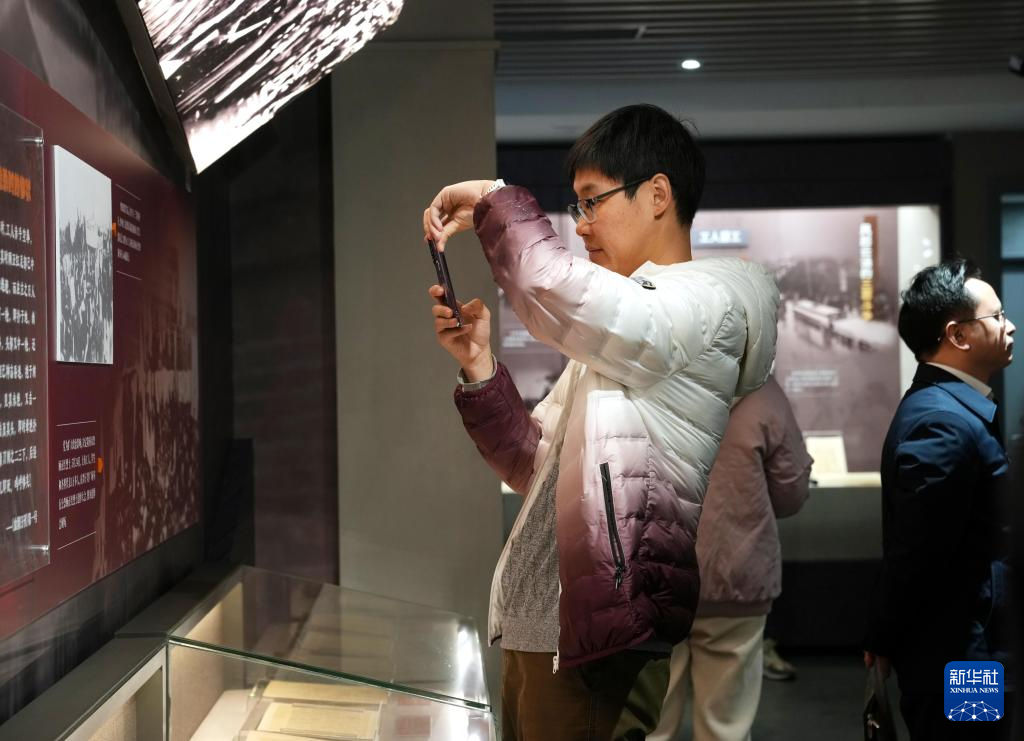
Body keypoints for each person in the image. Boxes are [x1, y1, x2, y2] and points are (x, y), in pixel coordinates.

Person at [421, 104, 780, 740]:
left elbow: (554, 287)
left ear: (658, 194)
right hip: (542, 632)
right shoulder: (639, 321)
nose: (581, 224)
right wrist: (478, 365)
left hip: (593, 648)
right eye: (578, 205)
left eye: (593, 201)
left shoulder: (706, 303)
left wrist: (493, 199)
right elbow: (530, 464)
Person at [864, 259, 1016, 740]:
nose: (1010, 326)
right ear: (958, 335)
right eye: (997, 316)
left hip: (962, 649)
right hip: (962, 657)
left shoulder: (949, 408)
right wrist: (882, 635)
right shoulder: (943, 423)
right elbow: (917, 552)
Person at [649, 375, 813, 741]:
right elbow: (791, 493)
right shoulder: (761, 392)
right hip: (736, 574)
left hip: (656, 576)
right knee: (726, 727)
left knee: (651, 725)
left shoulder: (647, 378)